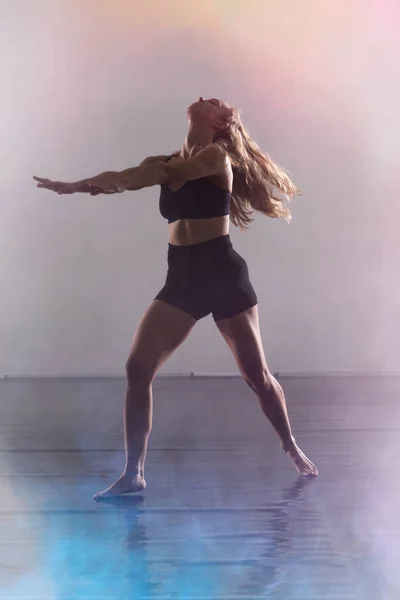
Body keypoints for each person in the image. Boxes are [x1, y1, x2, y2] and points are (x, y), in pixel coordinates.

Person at [33, 97, 318, 500]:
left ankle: (290, 444)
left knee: (257, 376)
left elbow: (157, 175)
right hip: (182, 275)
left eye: (216, 101)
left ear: (221, 121)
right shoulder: (163, 159)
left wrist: (121, 180)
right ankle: (134, 473)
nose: (206, 97)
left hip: (222, 273)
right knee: (137, 369)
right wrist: (77, 186)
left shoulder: (216, 157)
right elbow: (131, 174)